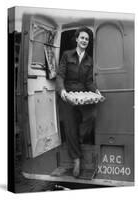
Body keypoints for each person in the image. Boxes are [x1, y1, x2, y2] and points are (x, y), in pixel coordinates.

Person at [56, 26, 101, 178]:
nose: (84, 41)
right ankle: (76, 159)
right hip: (68, 95)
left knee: (92, 115)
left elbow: (88, 81)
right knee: (69, 125)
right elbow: (60, 75)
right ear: (76, 39)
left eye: (87, 39)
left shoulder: (89, 60)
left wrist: (95, 91)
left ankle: (79, 138)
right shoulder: (66, 55)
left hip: (83, 95)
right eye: (82, 38)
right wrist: (62, 91)